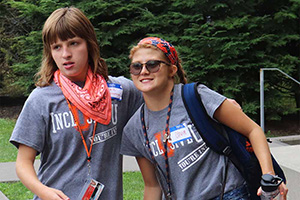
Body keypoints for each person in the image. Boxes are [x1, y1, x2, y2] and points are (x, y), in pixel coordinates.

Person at [120, 37, 288, 199]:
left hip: (229, 194)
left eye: (153, 64)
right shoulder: (135, 128)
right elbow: (152, 186)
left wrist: (269, 177)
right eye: (136, 66)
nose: (143, 71)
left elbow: (253, 129)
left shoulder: (196, 97)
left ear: (172, 69)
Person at [9, 7, 143, 200]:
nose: (66, 54)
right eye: (57, 47)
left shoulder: (121, 92)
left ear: (89, 44)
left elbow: (160, 107)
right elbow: (23, 164)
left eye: (73, 43)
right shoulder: (41, 100)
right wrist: (44, 192)